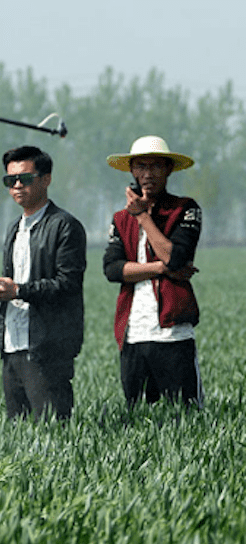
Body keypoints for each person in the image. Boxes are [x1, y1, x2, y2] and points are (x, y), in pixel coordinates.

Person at [0, 146, 86, 420]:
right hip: (12, 343)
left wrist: (17, 291)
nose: (16, 186)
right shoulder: (15, 228)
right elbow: (15, 280)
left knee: (52, 432)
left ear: (46, 179)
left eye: (24, 178)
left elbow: (67, 284)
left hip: (47, 347)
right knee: (18, 435)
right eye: (9, 180)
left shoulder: (65, 226)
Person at [103, 135, 203, 407]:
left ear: (168, 169)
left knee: (185, 418)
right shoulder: (120, 219)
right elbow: (112, 269)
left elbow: (174, 257)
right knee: (137, 420)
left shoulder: (185, 209)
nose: (148, 174)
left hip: (173, 334)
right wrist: (160, 268)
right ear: (132, 171)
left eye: (156, 166)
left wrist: (143, 217)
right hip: (133, 333)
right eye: (141, 167)